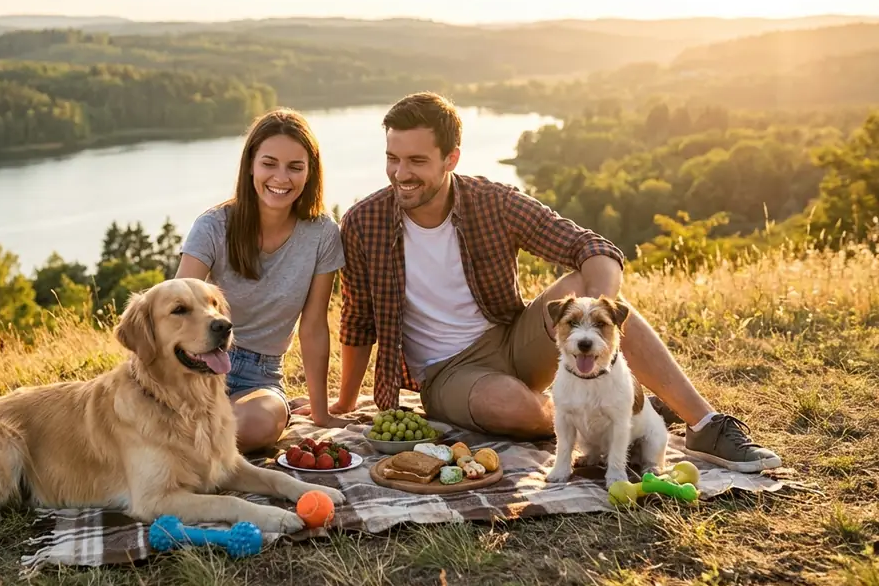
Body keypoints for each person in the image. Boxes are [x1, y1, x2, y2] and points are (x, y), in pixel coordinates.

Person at [329, 92, 782, 473]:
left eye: (416, 161)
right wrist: (346, 401)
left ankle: (705, 425)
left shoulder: (492, 201)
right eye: (392, 158)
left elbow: (593, 248)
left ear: (452, 158)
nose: (400, 174)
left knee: (591, 291)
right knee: (513, 407)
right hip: (448, 373)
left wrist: (601, 313)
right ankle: (623, 414)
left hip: (511, 338)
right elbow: (357, 320)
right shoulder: (364, 222)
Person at [175, 108, 351, 454]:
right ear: (251, 165)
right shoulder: (214, 226)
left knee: (258, 427)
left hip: (260, 375)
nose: (281, 178)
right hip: (198, 363)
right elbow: (176, 307)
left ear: (310, 172)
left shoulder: (323, 234)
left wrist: (321, 413)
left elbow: (314, 326)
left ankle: (189, 440)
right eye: (269, 164)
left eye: (295, 167)